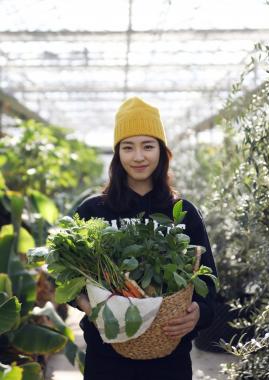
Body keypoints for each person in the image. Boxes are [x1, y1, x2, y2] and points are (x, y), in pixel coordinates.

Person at [71, 97, 218, 380]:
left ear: (162, 152)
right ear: (117, 154)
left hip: (169, 360)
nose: (138, 157)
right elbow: (63, 278)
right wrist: (90, 307)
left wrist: (199, 312)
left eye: (148, 146)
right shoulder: (93, 211)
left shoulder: (182, 212)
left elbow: (208, 281)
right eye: (128, 147)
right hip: (107, 360)